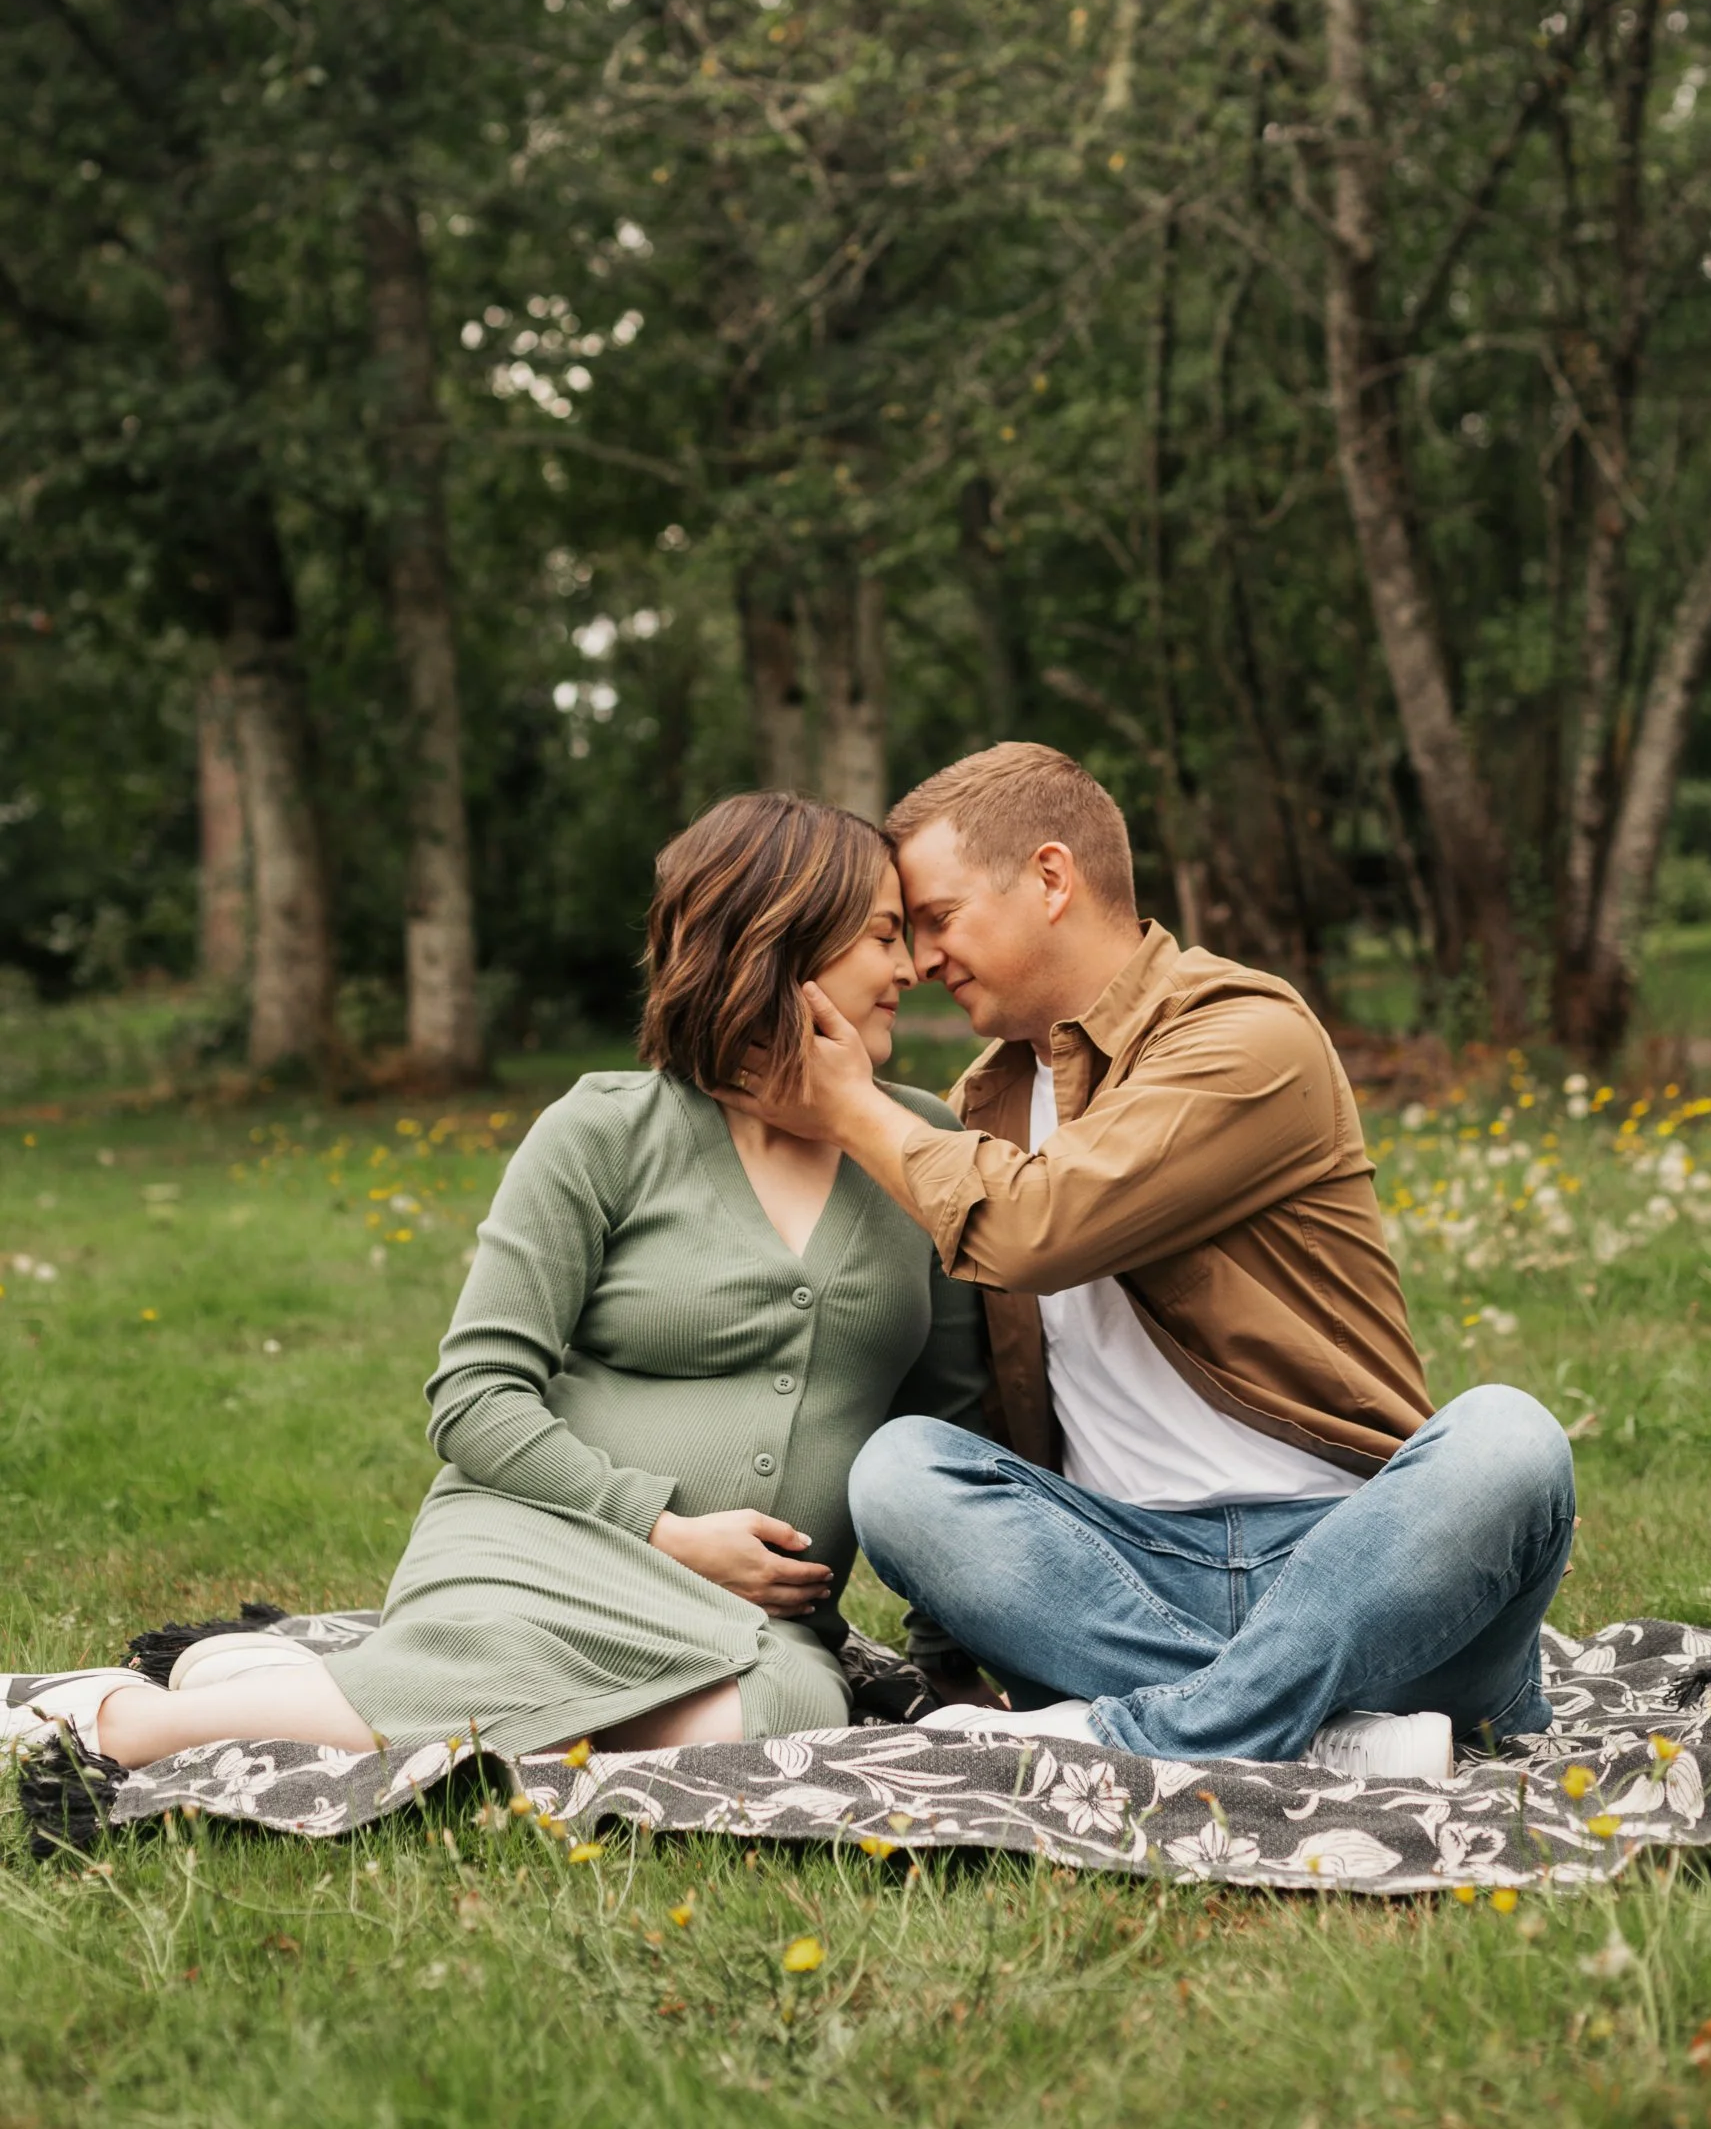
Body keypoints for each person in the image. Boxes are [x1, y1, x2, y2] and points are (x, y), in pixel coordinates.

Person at [7, 794, 990, 1772]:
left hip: (757, 1623)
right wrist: (662, 1528)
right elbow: (474, 1399)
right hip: (545, 1547)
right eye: (881, 937)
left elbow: (949, 1424)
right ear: (781, 940)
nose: (909, 969)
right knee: (553, 1673)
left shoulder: (921, 1148)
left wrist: (948, 1670)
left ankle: (298, 1696)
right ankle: (132, 1726)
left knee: (785, 1715)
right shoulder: (603, 1134)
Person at [728, 743, 1577, 1778]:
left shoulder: (1245, 1036)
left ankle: (1159, 1732)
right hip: (1119, 1577)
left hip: (1360, 1569)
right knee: (901, 1470)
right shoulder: (977, 1109)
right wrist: (946, 1665)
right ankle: (1311, 1732)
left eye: (939, 918)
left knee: (1510, 1440)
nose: (920, 962)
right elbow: (961, 1390)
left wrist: (852, 1106)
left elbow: (1041, 1226)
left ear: (1049, 879)